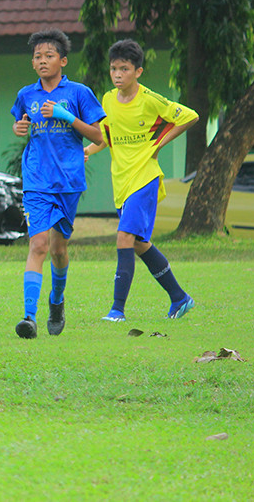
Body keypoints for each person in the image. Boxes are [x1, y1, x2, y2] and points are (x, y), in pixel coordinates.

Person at [85, 39, 198, 321]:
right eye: (113, 69)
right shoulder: (109, 99)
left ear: (138, 71)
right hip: (121, 182)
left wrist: (161, 142)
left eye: (124, 68)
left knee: (124, 237)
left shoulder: (149, 99)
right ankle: (179, 297)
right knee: (138, 243)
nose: (118, 74)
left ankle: (117, 310)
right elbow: (106, 137)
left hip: (144, 179)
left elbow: (190, 116)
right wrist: (87, 150)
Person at [11, 29, 106, 339]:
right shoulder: (27, 94)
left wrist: (67, 116)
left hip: (68, 180)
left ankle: (57, 301)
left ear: (63, 61)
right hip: (36, 179)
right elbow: (19, 123)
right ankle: (29, 316)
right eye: (37, 56)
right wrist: (19, 126)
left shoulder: (78, 93)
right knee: (38, 244)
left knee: (58, 250)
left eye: (48, 56)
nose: (42, 61)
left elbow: (98, 136)